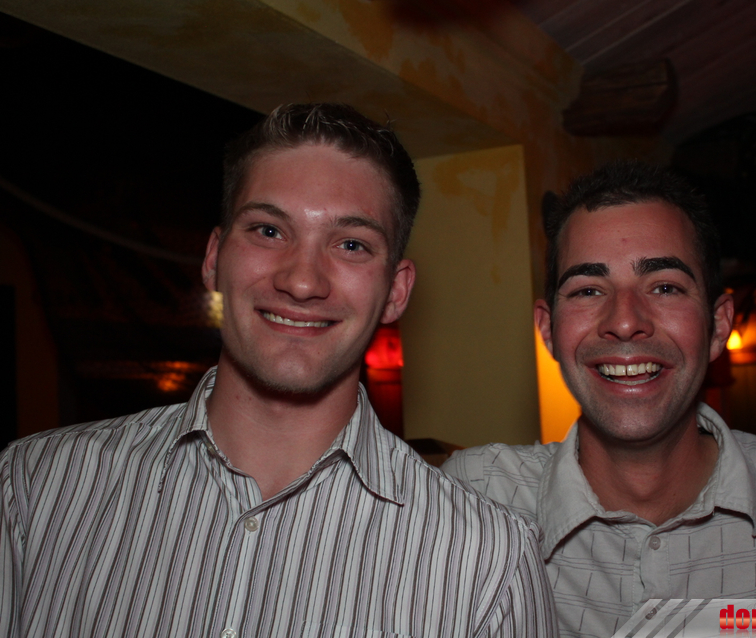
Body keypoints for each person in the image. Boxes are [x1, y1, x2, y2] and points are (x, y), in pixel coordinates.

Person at [0, 103, 557, 637]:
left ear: (396, 290)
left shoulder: (488, 563)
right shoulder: (35, 488)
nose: (302, 281)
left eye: (351, 244)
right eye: (269, 231)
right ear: (214, 258)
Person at [442, 160, 756, 635]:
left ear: (718, 325)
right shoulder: (475, 500)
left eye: (664, 287)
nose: (625, 320)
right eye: (589, 290)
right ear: (549, 329)